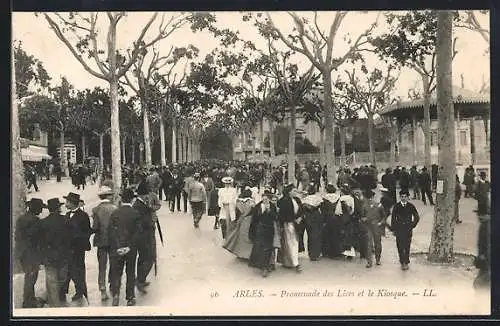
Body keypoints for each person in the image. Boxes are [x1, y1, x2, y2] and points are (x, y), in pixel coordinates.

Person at [108, 188, 142, 306]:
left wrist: (118, 246)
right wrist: (129, 246)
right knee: (130, 272)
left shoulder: (115, 213)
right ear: (132, 199)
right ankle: (130, 296)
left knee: (117, 272)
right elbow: (138, 233)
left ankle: (116, 294)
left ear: (121, 199)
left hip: (117, 249)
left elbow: (111, 232)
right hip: (131, 249)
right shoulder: (135, 214)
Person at [39, 198, 72, 307]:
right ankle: (53, 301)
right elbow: (70, 239)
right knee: (62, 278)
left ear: (49, 209)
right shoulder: (66, 220)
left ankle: (53, 303)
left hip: (49, 257)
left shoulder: (43, 223)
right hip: (63, 256)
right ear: (59, 208)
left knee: (52, 281)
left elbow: (41, 242)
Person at [61, 192, 92, 304]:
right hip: (68, 249)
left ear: (72, 203)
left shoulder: (83, 216)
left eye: (67, 202)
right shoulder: (67, 215)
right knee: (68, 269)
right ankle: (64, 290)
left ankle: (80, 291)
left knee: (78, 270)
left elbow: (87, 231)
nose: (66, 204)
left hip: (78, 249)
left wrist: (78, 240)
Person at [15, 198, 45, 308]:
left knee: (29, 276)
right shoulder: (35, 221)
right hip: (31, 254)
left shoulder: (21, 218)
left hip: (22, 252)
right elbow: (37, 239)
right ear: (35, 208)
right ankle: (28, 302)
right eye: (40, 208)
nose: (41, 211)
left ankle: (30, 298)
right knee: (31, 277)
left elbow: (17, 236)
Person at [91, 186, 118, 302]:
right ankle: (113, 286)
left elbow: (95, 227)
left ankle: (102, 289)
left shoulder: (95, 210)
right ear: (108, 196)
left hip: (101, 241)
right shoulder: (115, 209)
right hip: (113, 241)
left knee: (102, 266)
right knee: (113, 265)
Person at [248, 190, 279, 277]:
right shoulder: (258, 206)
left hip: (269, 230)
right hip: (260, 230)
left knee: (268, 248)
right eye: (263, 199)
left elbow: (275, 217)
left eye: (266, 199)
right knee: (260, 248)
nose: (265, 200)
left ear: (269, 199)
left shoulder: (272, 206)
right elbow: (254, 218)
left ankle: (266, 267)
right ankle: (262, 265)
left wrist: (269, 210)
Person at [133, 182, 157, 294]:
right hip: (143, 236)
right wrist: (151, 222)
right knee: (149, 258)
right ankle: (139, 280)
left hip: (146, 234)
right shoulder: (138, 205)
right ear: (142, 195)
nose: (148, 196)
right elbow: (141, 222)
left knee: (143, 258)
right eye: (146, 194)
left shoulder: (142, 203)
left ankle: (141, 279)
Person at [388, 190, 420, 271]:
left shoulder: (411, 206)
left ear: (408, 197)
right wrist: (394, 229)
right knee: (400, 246)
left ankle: (406, 261)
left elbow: (416, 217)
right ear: (400, 197)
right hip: (399, 229)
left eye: (405, 197)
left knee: (407, 246)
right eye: (402, 197)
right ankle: (402, 261)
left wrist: (412, 225)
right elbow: (393, 219)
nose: (404, 198)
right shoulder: (397, 206)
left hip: (408, 229)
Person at [276, 183, 304, 273]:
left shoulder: (297, 200)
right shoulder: (284, 201)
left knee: (293, 243)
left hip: (296, 224)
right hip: (288, 224)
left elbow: (301, 210)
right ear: (289, 192)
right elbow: (282, 215)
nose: (296, 192)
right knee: (292, 243)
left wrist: (300, 217)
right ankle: (295, 263)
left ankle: (290, 261)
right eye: (294, 191)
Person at [223, 189, 255, 260]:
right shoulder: (251, 202)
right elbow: (254, 211)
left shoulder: (238, 202)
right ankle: (248, 255)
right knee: (249, 237)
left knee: (240, 237)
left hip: (241, 220)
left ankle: (240, 253)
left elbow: (237, 212)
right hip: (249, 220)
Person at [360, 190, 386, 268]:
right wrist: (364, 219)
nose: (370, 200)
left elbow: (384, 217)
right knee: (370, 244)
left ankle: (376, 259)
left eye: (370, 198)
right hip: (369, 226)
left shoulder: (379, 205)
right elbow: (362, 216)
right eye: (369, 198)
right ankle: (370, 261)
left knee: (376, 244)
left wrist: (380, 223)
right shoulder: (364, 206)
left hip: (375, 226)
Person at [301, 184, 325, 261]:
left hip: (308, 218)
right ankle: (316, 253)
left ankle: (311, 254)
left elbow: (303, 209)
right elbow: (322, 208)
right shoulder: (319, 198)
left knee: (310, 236)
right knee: (317, 236)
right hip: (317, 217)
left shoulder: (304, 199)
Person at [473, 191, 490, 289]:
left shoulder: (485, 226)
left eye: (479, 215)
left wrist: (482, 257)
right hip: (485, 263)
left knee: (479, 285)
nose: (478, 217)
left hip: (486, 264)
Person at [320, 184, 341, 259]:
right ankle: (336, 252)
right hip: (336, 218)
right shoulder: (338, 198)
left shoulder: (324, 199)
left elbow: (322, 211)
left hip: (327, 218)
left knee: (327, 235)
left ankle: (327, 252)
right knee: (336, 235)